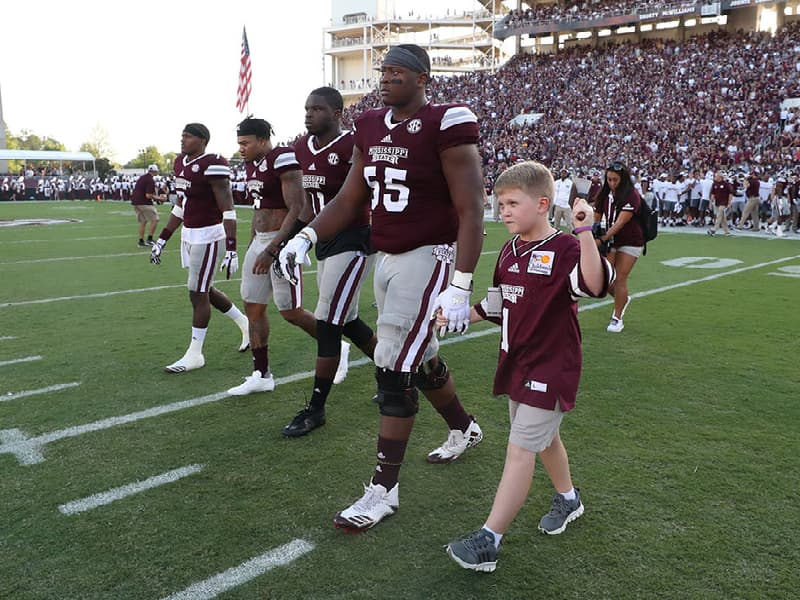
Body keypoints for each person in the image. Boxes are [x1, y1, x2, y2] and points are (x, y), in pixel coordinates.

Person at [278, 44, 485, 531]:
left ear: (422, 77)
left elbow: (471, 206)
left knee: (392, 361)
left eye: (398, 71)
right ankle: (463, 427)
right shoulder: (369, 125)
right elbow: (352, 196)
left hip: (429, 253)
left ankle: (383, 491)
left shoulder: (446, 120)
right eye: (384, 70)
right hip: (388, 255)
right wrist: (306, 235)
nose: (387, 76)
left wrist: (461, 282)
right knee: (420, 351)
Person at [444, 161, 614, 573]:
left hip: (552, 365)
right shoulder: (509, 249)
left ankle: (490, 540)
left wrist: (586, 232)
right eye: (500, 203)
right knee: (545, 440)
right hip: (518, 364)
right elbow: (500, 303)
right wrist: (462, 314)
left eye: (512, 203)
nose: (503, 210)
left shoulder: (565, 248)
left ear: (542, 204)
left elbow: (596, 284)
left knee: (520, 449)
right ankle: (569, 499)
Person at [227, 117, 349, 396]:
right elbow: (259, 211)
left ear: (262, 140)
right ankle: (261, 373)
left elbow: (298, 206)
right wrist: (253, 244)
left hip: (282, 242)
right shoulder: (251, 164)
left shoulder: (282, 158)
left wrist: (275, 248)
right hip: (260, 241)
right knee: (253, 305)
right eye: (239, 144)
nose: (241, 149)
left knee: (290, 311)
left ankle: (336, 345)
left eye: (246, 143)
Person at [281, 87, 378, 436]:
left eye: (317, 109)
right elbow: (307, 204)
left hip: (353, 239)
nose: (309, 114)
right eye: (306, 108)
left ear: (337, 113)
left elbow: (354, 200)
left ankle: (316, 408)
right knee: (348, 319)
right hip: (322, 239)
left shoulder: (353, 145)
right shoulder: (301, 148)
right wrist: (297, 239)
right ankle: (393, 376)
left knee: (327, 321)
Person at [149, 123, 250, 372]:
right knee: (204, 289)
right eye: (182, 135)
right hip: (190, 235)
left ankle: (195, 354)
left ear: (203, 140)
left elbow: (227, 208)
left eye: (189, 136)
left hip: (209, 235)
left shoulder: (213, 163)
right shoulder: (180, 163)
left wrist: (232, 248)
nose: (183, 139)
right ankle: (244, 322)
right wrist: (162, 239)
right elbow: (181, 206)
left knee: (197, 291)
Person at [593, 161, 644, 333]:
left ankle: (617, 318)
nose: (612, 183)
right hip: (611, 240)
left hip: (630, 240)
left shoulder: (631, 194)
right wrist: (595, 228)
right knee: (604, 279)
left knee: (620, 278)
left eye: (615, 180)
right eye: (609, 179)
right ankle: (622, 299)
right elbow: (598, 212)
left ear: (623, 179)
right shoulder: (604, 192)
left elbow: (622, 221)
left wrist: (603, 239)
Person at [131, 164, 165, 247]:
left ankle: (141, 241)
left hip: (136, 201)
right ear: (155, 171)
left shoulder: (143, 177)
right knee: (155, 219)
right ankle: (149, 239)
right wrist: (159, 198)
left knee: (143, 221)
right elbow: (148, 195)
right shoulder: (150, 180)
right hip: (143, 202)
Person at [706, 171, 733, 237]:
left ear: (720, 177)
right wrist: (710, 202)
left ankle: (714, 229)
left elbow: (730, 193)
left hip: (724, 202)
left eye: (716, 176)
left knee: (719, 215)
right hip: (717, 202)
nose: (715, 177)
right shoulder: (714, 184)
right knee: (722, 218)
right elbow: (712, 194)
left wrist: (729, 202)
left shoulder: (726, 184)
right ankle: (727, 232)